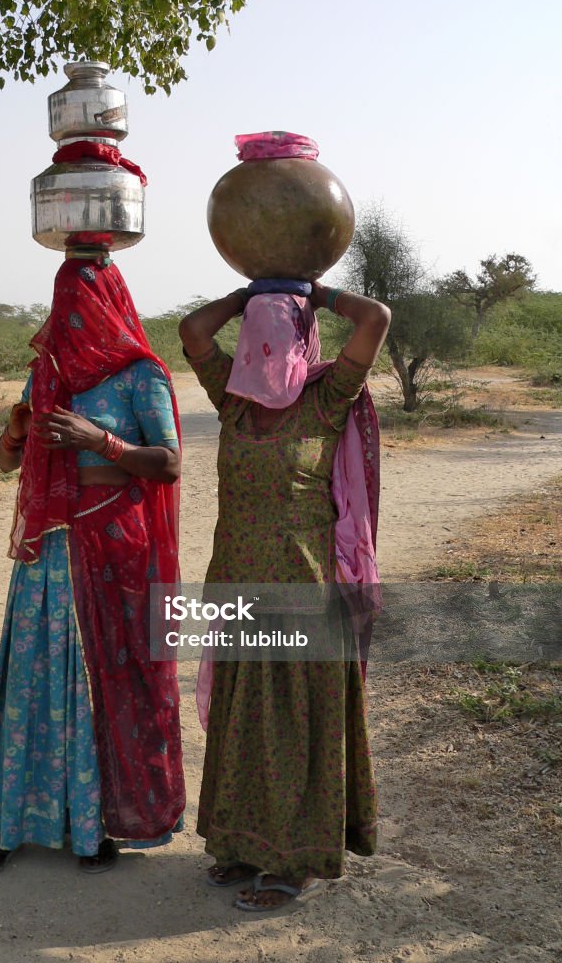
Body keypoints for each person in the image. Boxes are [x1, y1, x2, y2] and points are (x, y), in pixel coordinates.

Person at [0, 256, 185, 877]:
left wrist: (99, 440)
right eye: (63, 300)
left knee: (112, 682)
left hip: (116, 546)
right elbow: (7, 464)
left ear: (111, 303)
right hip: (49, 555)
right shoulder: (47, 374)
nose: (70, 314)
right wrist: (14, 434)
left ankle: (100, 824)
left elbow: (168, 464)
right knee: (38, 680)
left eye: (83, 300)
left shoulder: (140, 374)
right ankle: (17, 821)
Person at [178, 279, 390, 911]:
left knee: (295, 726)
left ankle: (293, 861)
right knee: (245, 719)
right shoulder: (234, 403)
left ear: (301, 343)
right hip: (238, 582)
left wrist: (314, 294)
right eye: (254, 338)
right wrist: (250, 294)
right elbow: (192, 332)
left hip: (303, 588)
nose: (264, 347)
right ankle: (241, 847)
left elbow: (375, 318)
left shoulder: (327, 398)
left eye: (278, 336)